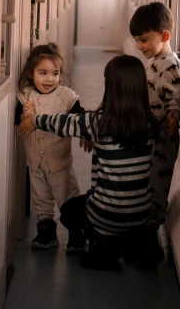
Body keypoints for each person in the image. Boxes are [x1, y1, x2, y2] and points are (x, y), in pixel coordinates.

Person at [18, 54, 161, 270]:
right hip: (142, 214)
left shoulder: (98, 122)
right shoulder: (151, 123)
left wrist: (34, 120)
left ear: (110, 86)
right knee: (133, 219)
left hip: (104, 215)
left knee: (69, 211)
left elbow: (64, 122)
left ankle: (101, 242)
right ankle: (138, 243)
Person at [16, 43, 82, 252]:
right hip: (35, 160)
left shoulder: (66, 96)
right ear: (31, 73)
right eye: (42, 73)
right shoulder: (25, 95)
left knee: (68, 196)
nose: (49, 79)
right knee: (41, 197)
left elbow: (79, 119)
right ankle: (46, 231)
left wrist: (86, 135)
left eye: (55, 73)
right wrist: (25, 116)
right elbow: (19, 124)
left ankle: (76, 233)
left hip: (59, 160)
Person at [129, 2, 180, 226]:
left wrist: (173, 117)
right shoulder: (156, 62)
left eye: (144, 40)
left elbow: (174, 96)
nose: (139, 46)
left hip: (163, 137)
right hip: (151, 134)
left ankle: (150, 235)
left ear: (164, 35)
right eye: (136, 41)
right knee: (147, 183)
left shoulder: (169, 65)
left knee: (156, 186)